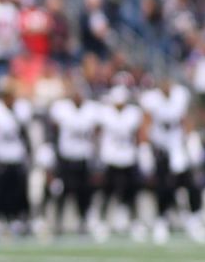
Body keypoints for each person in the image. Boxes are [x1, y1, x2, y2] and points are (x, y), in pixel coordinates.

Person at [139, 74, 205, 243]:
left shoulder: (180, 95)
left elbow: (186, 119)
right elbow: (145, 123)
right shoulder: (151, 99)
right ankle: (162, 220)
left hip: (178, 146)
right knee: (163, 187)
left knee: (191, 183)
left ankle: (194, 219)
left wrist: (192, 140)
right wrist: (144, 148)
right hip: (160, 148)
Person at [0, 80, 33, 239]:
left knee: (17, 192)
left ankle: (15, 219)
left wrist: (28, 153)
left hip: (16, 156)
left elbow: (24, 134)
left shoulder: (21, 109)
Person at [47, 79, 101, 236]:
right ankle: (58, 222)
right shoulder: (61, 109)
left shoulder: (91, 109)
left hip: (84, 158)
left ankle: (83, 221)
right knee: (62, 192)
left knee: (84, 193)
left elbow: (96, 134)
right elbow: (53, 132)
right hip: (66, 158)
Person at [95, 81, 145, 241]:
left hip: (128, 156)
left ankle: (134, 222)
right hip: (110, 157)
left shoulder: (132, 113)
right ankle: (102, 222)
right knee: (108, 192)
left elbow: (138, 134)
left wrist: (142, 151)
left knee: (131, 192)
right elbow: (98, 133)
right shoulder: (105, 113)